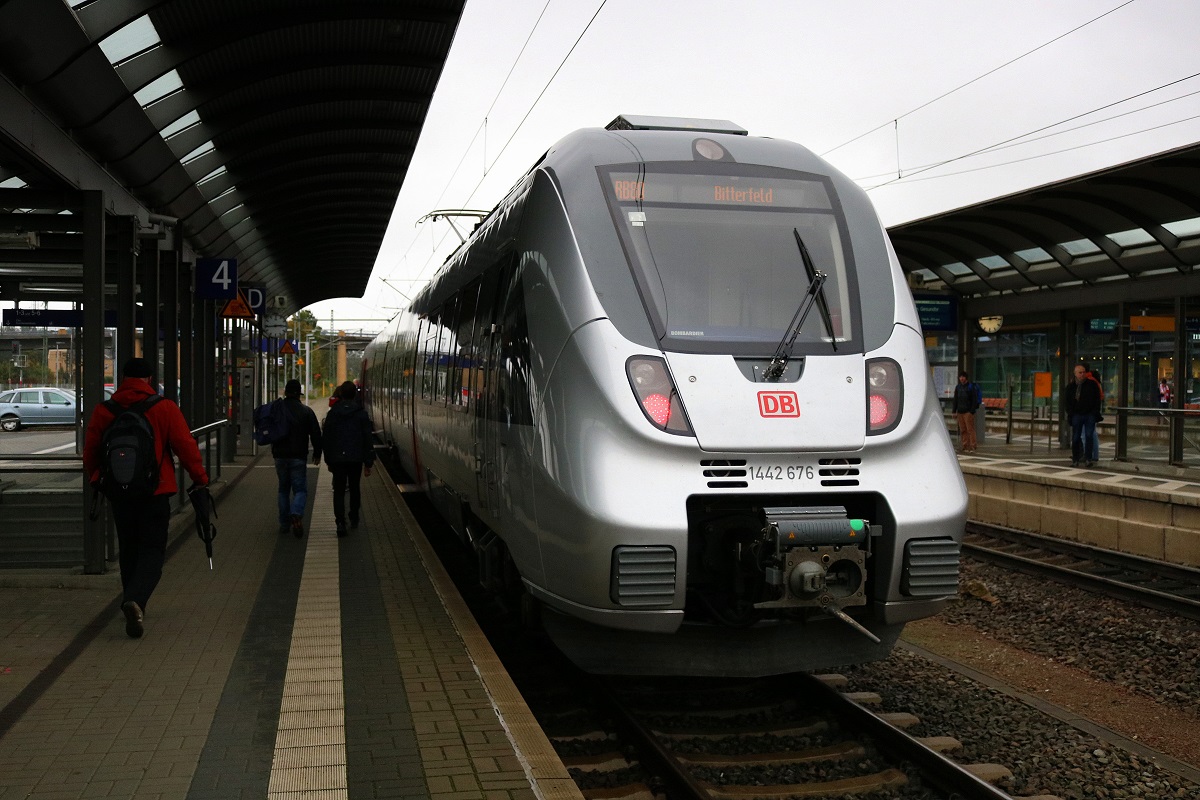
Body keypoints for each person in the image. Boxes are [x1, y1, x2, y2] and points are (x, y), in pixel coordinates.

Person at [83, 357, 209, 639]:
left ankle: (131, 597)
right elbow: (185, 446)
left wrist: (97, 478)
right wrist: (200, 477)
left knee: (128, 546)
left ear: (123, 378)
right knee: (152, 549)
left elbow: (90, 450)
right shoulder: (163, 408)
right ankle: (136, 601)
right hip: (155, 491)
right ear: (150, 380)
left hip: (119, 492)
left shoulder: (105, 410)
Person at [321, 381, 376, 536]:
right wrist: (368, 462)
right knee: (354, 488)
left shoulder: (333, 413)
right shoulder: (361, 414)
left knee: (338, 491)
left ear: (340, 394)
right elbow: (367, 438)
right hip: (355, 458)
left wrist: (328, 460)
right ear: (355, 394)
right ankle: (354, 516)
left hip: (337, 459)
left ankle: (340, 523)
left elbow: (327, 438)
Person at [273, 379, 322, 537]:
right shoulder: (306, 411)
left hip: (280, 456)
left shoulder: (276, 410)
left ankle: (284, 524)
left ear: (285, 392)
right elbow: (316, 434)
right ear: (299, 395)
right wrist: (317, 453)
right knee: (300, 489)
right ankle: (296, 512)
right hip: (298, 457)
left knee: (283, 490)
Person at [1065, 362, 1102, 468]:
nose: (1082, 374)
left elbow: (1097, 399)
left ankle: (1088, 458)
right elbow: (1067, 402)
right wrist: (1071, 413)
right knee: (1076, 437)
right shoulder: (1071, 387)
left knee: (1089, 435)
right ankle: (1076, 458)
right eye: (1080, 372)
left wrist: (1095, 412)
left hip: (1089, 414)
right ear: (1075, 373)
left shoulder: (1092, 385)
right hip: (1077, 414)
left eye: (1083, 372)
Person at [951, 370, 982, 453]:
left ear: (966, 378)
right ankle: (965, 446)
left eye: (963, 377)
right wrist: (954, 411)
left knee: (970, 429)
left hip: (968, 411)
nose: (961, 378)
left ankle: (973, 446)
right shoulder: (958, 387)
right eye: (960, 377)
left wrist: (971, 411)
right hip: (960, 411)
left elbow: (974, 399)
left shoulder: (970, 387)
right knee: (963, 430)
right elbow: (955, 400)